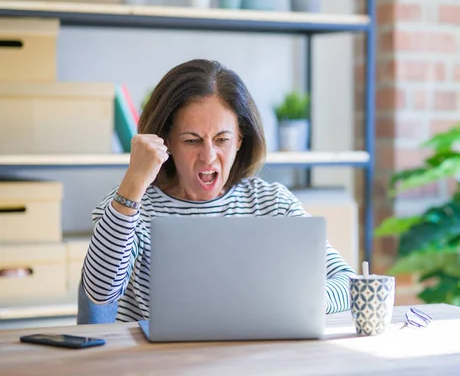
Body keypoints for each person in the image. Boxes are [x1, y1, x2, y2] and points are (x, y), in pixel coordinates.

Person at [82, 59, 356, 322]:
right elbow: (100, 292)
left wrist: (300, 298)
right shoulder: (129, 207)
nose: (208, 157)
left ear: (240, 139)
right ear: (166, 142)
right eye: (192, 140)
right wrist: (133, 184)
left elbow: (347, 282)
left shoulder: (272, 204)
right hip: (155, 365)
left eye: (222, 139)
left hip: (246, 362)